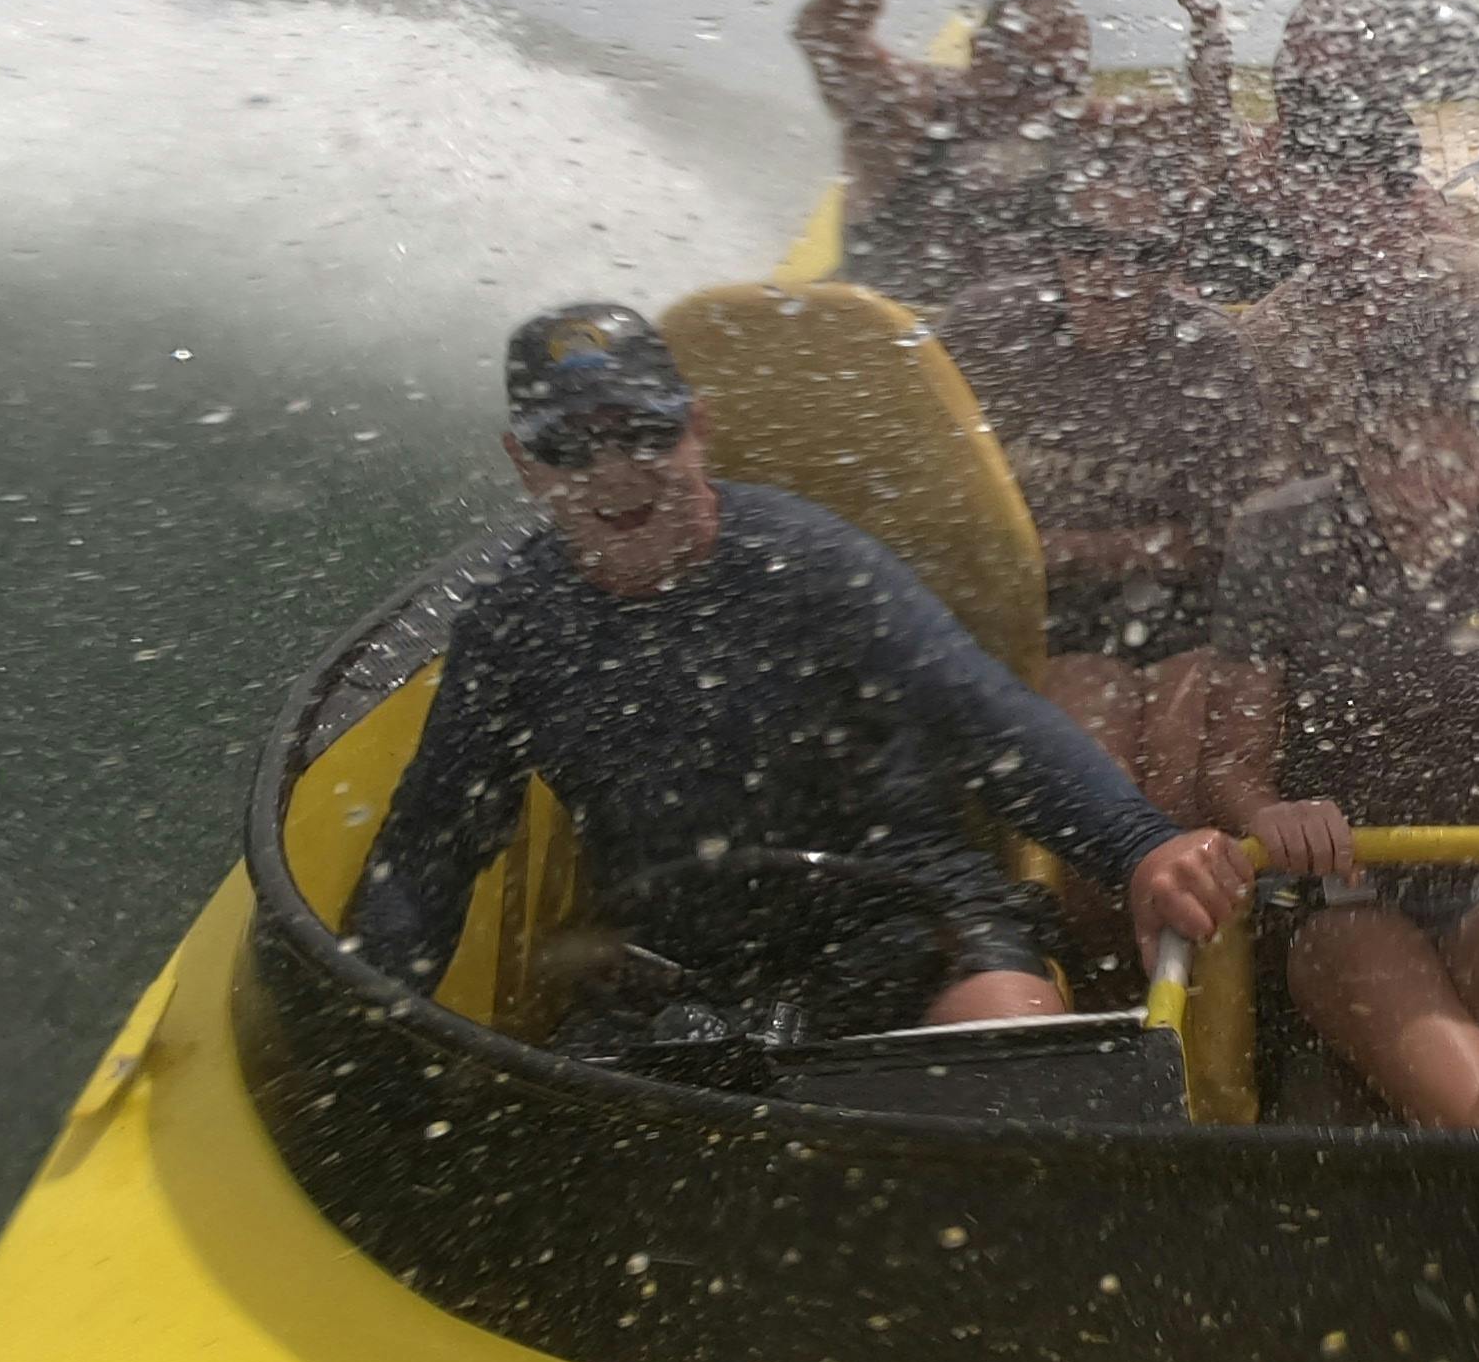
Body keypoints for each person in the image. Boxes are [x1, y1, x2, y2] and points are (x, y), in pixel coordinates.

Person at [347, 303, 1249, 1040]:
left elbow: (991, 723)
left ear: (697, 428)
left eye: (643, 433)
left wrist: (1135, 846)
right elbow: (429, 849)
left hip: (909, 918)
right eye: (570, 446)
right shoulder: (514, 627)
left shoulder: (811, 565)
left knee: (1009, 1066)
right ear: (523, 463)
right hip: (669, 959)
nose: (614, 472)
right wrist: (366, 1020)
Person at [1197, 292, 1479, 1129]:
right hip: (1345, 893)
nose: (1417, 487)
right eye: (1392, 454)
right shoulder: (1280, 537)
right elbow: (1226, 767)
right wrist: (1274, 815)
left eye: (1450, 462)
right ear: (1357, 442)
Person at [939, 154, 1280, 844]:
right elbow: (934, 498)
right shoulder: (983, 334)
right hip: (1045, 609)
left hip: (1185, 606)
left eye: (1142, 252)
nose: (1111, 271)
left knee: (1179, 791)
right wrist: (1089, 555)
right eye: (1088, 244)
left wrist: (1066, 549)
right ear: (1055, 247)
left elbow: (1234, 537)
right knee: (1101, 792)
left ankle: (1171, 947)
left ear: (1171, 259)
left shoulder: (1209, 351)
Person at [791, 0, 1234, 303]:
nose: (1040, 101)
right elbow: (824, 32)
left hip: (1006, 349)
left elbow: (1208, 128)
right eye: (1027, 78)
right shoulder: (910, 109)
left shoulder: (1077, 122)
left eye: (1063, 82)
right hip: (895, 344)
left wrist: (1205, 18)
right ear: (980, 50)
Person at [1229, 0, 1479, 468]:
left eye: (1348, 60)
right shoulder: (1273, 332)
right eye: (1306, 69)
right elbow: (1281, 487)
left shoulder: (1469, 279)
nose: (1323, 203)